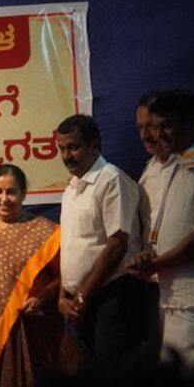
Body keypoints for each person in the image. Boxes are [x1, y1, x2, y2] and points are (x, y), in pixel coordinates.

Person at [126, 90, 194, 375]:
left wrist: (155, 264)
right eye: (153, 126)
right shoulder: (175, 163)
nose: (158, 135)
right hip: (171, 297)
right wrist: (148, 260)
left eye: (166, 126)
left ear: (191, 122)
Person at [56, 114, 143, 373]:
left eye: (73, 147)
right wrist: (63, 298)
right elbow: (70, 247)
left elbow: (117, 245)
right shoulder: (71, 190)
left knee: (111, 374)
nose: (66, 156)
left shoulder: (111, 180)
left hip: (111, 298)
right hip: (79, 304)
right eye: (61, 149)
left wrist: (82, 296)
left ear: (95, 145)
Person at [0, 165, 61, 387]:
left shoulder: (46, 231)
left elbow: (62, 277)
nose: (4, 199)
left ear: (24, 193)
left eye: (12, 192)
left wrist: (42, 297)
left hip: (34, 325)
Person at [135, 91, 174, 370]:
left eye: (151, 126)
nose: (146, 135)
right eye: (140, 128)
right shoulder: (148, 172)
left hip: (184, 281)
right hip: (151, 285)